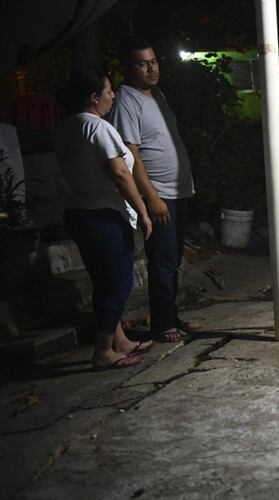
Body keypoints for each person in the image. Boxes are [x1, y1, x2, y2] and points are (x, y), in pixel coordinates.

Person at [54, 69, 154, 370]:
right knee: (118, 282)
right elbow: (120, 173)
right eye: (109, 91)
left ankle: (119, 340)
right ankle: (102, 352)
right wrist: (144, 210)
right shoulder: (97, 127)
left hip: (80, 211)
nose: (113, 96)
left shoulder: (66, 127)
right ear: (94, 97)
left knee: (103, 280)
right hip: (104, 213)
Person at [109, 40, 200, 342]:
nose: (151, 68)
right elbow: (130, 153)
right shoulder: (126, 99)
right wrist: (152, 198)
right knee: (162, 260)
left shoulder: (157, 94)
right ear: (128, 68)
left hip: (178, 191)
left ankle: (170, 314)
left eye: (154, 61)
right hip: (160, 194)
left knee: (172, 260)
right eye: (142, 63)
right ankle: (162, 324)